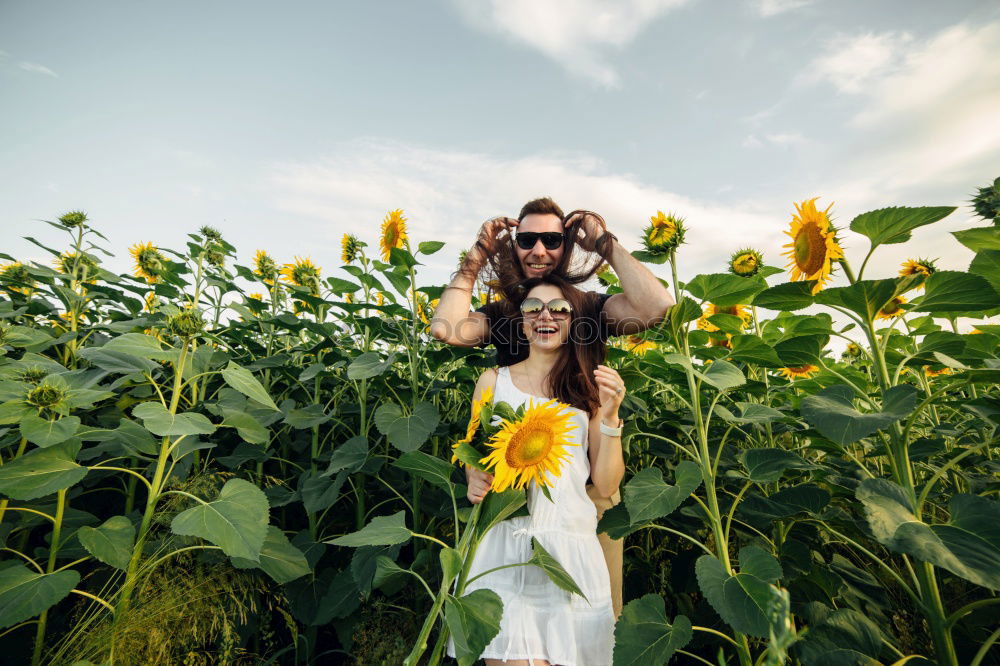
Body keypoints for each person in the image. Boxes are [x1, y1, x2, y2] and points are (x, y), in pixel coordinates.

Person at [430, 197, 672, 616]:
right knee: (511, 615)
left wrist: (605, 244)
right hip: (514, 491)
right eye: (526, 239)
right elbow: (445, 328)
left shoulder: (591, 308)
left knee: (590, 617)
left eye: (551, 239)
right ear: (514, 245)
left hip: (585, 480)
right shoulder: (506, 313)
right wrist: (476, 256)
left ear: (567, 245)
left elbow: (658, 309)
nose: (538, 250)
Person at [450, 275, 625, 666]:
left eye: (559, 308)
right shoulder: (493, 382)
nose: (545, 316)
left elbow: (608, 482)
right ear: (522, 320)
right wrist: (472, 477)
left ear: (573, 320)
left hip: (569, 548)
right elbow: (474, 454)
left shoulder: (589, 390)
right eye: (533, 308)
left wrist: (611, 418)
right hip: (504, 547)